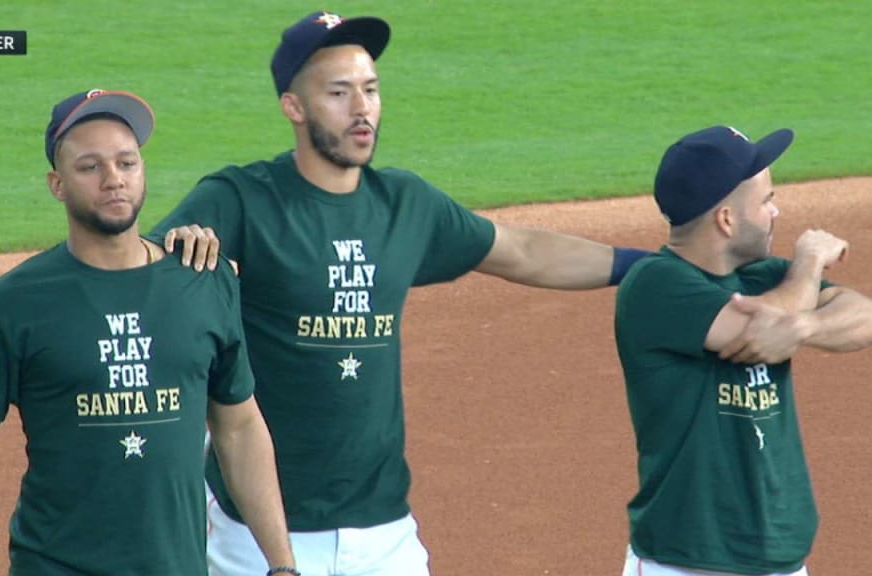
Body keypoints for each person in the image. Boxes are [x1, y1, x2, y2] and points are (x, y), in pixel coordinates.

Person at [151, 11, 649, 576]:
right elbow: (139, 272)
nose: (361, 109)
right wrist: (176, 244)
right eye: (338, 93)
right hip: (256, 537)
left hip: (384, 533)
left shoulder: (405, 206)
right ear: (294, 106)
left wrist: (645, 266)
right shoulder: (241, 199)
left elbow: (523, 251)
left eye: (370, 89)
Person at [0, 89, 297, 576]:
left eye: (127, 163)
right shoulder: (16, 301)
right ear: (58, 183)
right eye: (90, 167)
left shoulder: (204, 281)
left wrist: (283, 565)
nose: (114, 180)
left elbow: (238, 428)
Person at [614, 125, 872, 576]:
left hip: (780, 560)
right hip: (689, 562)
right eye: (765, 201)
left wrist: (805, 324)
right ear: (726, 219)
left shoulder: (763, 276)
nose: (776, 211)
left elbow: (871, 317)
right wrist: (808, 261)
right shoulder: (655, 284)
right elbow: (764, 328)